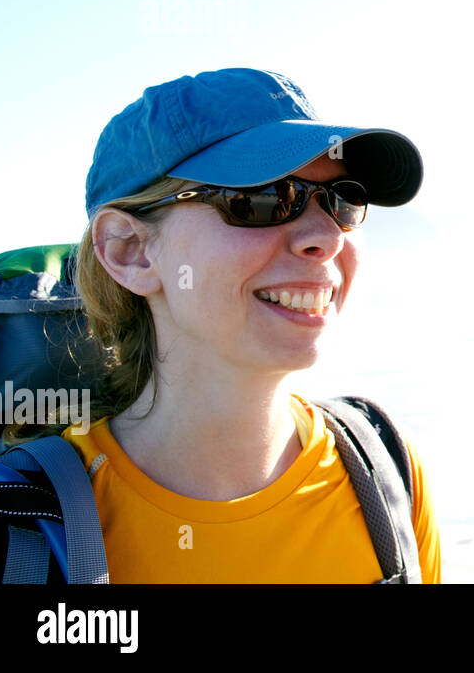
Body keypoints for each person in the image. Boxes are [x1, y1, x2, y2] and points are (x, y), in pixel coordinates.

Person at [44, 67, 439, 582]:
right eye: (263, 198)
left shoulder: (386, 478)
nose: (327, 236)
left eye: (343, 200)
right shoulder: (25, 530)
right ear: (131, 251)